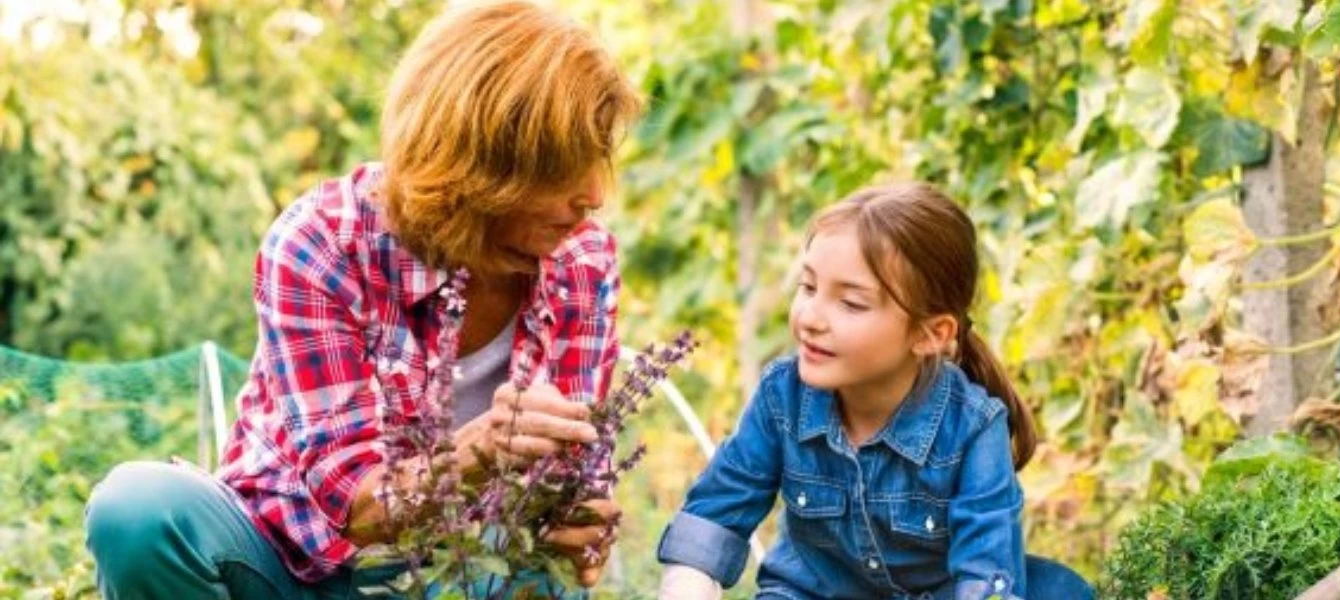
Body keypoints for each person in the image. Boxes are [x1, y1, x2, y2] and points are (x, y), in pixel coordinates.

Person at [83, 2, 640, 598]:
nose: (595, 194)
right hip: (296, 571)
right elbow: (353, 510)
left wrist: (575, 525)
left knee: (536, 575)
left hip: (460, 575)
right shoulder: (322, 244)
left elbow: (572, 480)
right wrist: (482, 450)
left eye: (598, 158)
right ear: (484, 159)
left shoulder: (582, 260)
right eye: (564, 165)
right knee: (139, 510)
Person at [655, 182, 1094, 599]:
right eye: (808, 287)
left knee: (1057, 590)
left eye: (851, 303)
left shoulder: (974, 427)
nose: (811, 317)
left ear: (929, 333)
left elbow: (984, 569)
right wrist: (687, 588)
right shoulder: (781, 397)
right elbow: (717, 511)